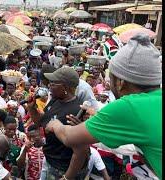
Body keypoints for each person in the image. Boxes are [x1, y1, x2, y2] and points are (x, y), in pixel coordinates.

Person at [46, 34, 162, 178]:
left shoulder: (129, 106)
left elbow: (69, 137)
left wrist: (55, 125)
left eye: (111, 77)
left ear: (121, 82)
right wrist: (99, 117)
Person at [27, 67, 89, 179]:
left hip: (64, 169)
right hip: (51, 161)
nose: (49, 86)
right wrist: (32, 108)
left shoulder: (76, 112)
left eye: (53, 83)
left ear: (65, 87)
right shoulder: (56, 99)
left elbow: (81, 151)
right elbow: (42, 122)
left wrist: (67, 177)